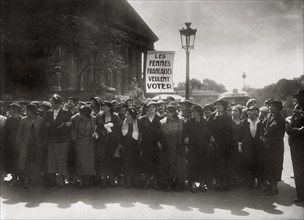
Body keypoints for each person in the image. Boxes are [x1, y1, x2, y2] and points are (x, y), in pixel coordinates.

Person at [183, 104, 211, 192]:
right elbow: (184, 134)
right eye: (192, 111)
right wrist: (186, 141)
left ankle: (202, 183)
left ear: (199, 113)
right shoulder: (188, 122)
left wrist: (211, 138)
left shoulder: (205, 122)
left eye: (194, 111)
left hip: (203, 147)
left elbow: (208, 134)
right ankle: (193, 184)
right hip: (192, 147)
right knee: (193, 165)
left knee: (203, 165)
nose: (193, 113)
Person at [15, 104, 45, 188]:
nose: (26, 112)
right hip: (26, 147)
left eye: (28, 111)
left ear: (33, 111)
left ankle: (34, 180)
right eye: (26, 111)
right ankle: (26, 181)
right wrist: (19, 146)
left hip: (36, 147)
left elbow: (43, 134)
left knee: (36, 163)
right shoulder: (23, 120)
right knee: (25, 163)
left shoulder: (40, 120)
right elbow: (19, 134)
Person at [158, 105, 186, 192]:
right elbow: (158, 135)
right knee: (168, 166)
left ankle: (179, 184)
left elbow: (185, 133)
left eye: (168, 112)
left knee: (178, 166)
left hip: (178, 146)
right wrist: (158, 142)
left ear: (173, 112)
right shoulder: (162, 122)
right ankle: (168, 183)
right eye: (166, 112)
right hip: (167, 147)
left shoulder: (181, 120)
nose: (166, 113)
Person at [46, 94, 72, 187]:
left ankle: (61, 179)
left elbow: (68, 127)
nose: (51, 103)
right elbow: (47, 126)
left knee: (61, 160)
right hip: (52, 140)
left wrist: (60, 127)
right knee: (52, 160)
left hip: (62, 141)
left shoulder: (66, 112)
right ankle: (52, 179)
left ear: (57, 103)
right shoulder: (48, 112)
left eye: (52, 101)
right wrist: (60, 126)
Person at [261, 99, 285, 195]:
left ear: (278, 108)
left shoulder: (280, 119)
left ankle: (274, 188)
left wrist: (267, 141)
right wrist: (262, 136)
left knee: (275, 167)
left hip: (276, 147)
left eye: (273, 106)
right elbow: (263, 127)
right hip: (267, 146)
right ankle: (270, 185)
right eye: (270, 106)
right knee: (268, 166)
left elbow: (279, 136)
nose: (270, 107)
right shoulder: (269, 115)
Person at [208, 99, 233, 191]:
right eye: (216, 105)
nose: (217, 107)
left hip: (225, 144)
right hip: (215, 143)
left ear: (224, 107)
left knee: (225, 164)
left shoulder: (228, 117)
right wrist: (211, 136)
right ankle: (217, 183)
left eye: (220, 105)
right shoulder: (212, 116)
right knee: (216, 164)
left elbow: (230, 131)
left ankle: (224, 183)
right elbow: (209, 128)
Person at [95, 101, 121, 187]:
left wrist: (117, 142)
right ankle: (104, 180)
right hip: (102, 143)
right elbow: (96, 127)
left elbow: (118, 130)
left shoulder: (115, 117)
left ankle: (112, 180)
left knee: (111, 161)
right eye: (102, 106)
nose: (103, 108)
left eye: (105, 106)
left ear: (110, 108)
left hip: (112, 143)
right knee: (103, 161)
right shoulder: (99, 116)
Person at [71, 105, 96, 189]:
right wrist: (74, 138)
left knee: (89, 163)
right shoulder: (75, 118)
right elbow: (73, 130)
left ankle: (87, 181)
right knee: (80, 163)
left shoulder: (93, 119)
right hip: (80, 143)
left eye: (82, 113)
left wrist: (96, 133)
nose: (80, 114)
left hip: (90, 143)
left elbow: (98, 127)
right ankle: (81, 181)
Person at [286, 89, 304, 203]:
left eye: (300, 98)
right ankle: (300, 195)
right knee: (298, 171)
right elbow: (289, 129)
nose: (297, 100)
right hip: (296, 146)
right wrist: (299, 130)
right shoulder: (294, 115)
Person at [240, 106, 264, 189]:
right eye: (248, 111)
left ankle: (260, 182)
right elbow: (242, 134)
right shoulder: (245, 122)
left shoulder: (261, 121)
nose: (249, 113)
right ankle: (251, 181)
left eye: (251, 111)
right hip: (248, 146)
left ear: (256, 112)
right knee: (249, 163)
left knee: (259, 163)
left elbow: (263, 133)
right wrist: (241, 144)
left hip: (259, 147)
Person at [139, 101, 161, 189]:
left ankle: (155, 182)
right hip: (146, 145)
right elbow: (140, 133)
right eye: (149, 107)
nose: (151, 109)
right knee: (146, 163)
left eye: (153, 107)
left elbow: (162, 133)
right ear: (146, 109)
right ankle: (147, 182)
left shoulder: (160, 119)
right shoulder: (142, 119)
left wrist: (160, 143)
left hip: (156, 145)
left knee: (156, 164)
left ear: (156, 109)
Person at [120, 107, 142, 188]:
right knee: (127, 164)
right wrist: (121, 144)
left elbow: (141, 134)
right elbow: (120, 135)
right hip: (126, 146)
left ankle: (136, 181)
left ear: (133, 115)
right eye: (126, 114)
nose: (127, 115)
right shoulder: (123, 122)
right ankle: (128, 181)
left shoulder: (138, 122)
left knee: (135, 164)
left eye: (128, 114)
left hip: (135, 147)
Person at [3, 103, 22, 186]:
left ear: (15, 109)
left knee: (19, 161)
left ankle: (21, 178)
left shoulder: (21, 119)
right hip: (10, 144)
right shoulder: (8, 119)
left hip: (19, 144)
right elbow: (6, 132)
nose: (9, 111)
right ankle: (14, 178)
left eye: (10, 109)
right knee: (12, 161)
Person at [231, 105, 243, 186]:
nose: (233, 112)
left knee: (239, 162)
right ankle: (231, 179)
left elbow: (244, 135)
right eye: (232, 110)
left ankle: (238, 179)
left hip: (240, 145)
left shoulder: (243, 123)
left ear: (239, 113)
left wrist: (240, 143)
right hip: (231, 145)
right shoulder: (229, 122)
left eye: (235, 111)